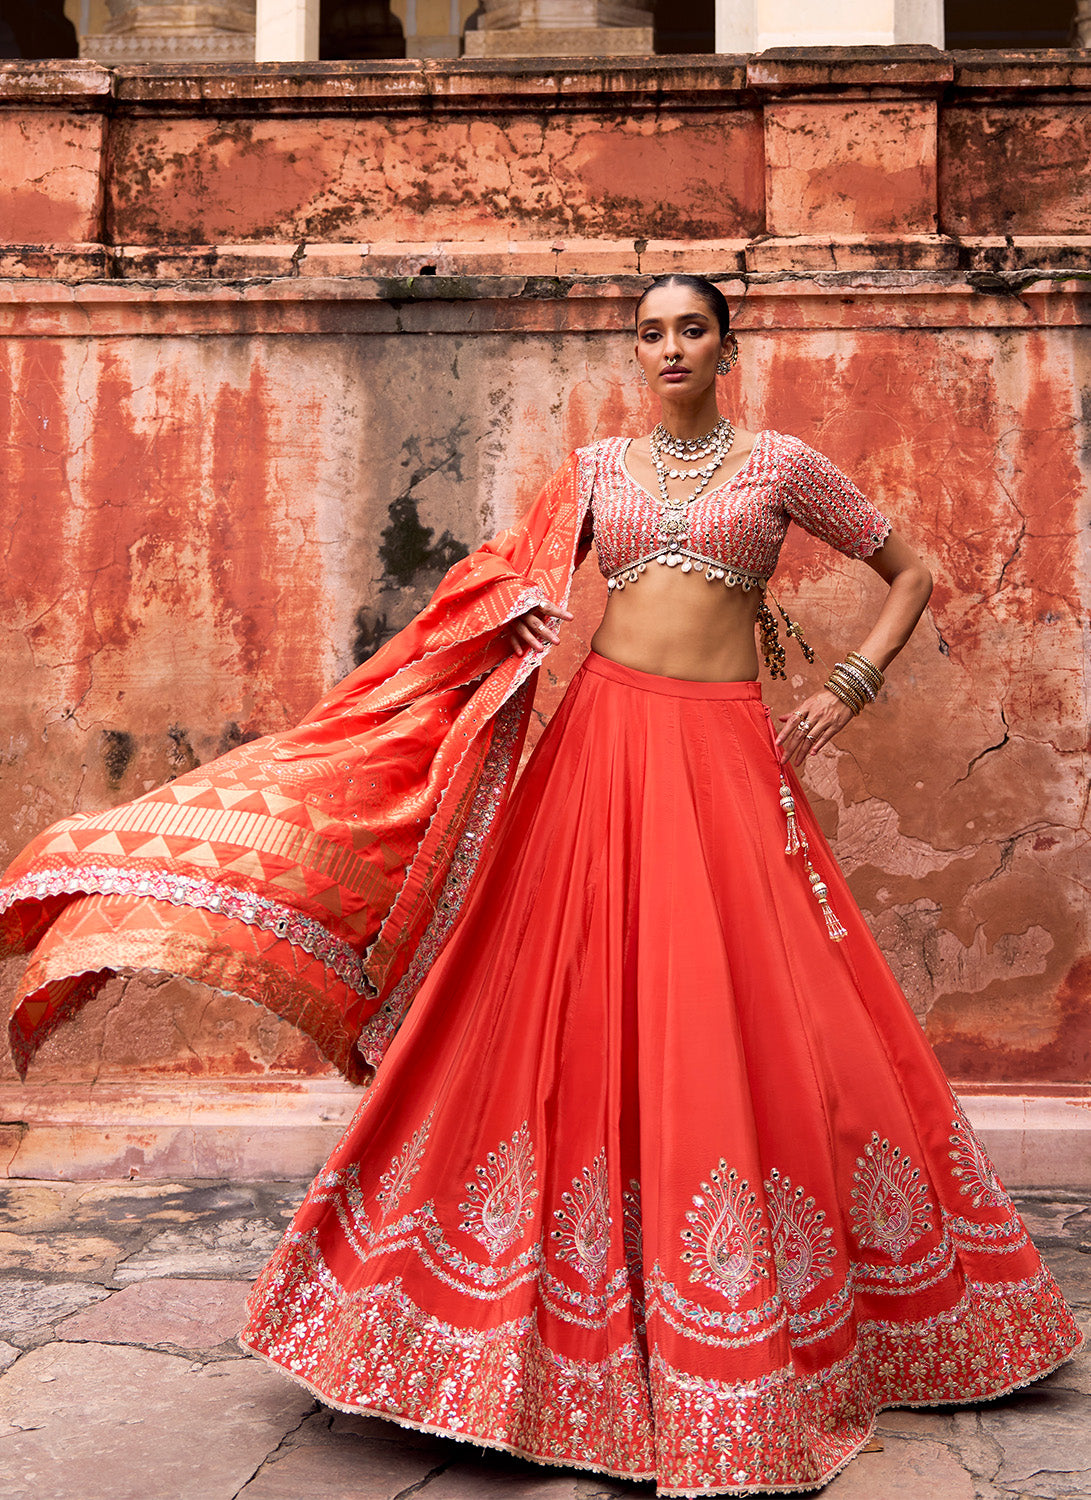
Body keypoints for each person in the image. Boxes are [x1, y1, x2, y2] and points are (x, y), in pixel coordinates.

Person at [1, 275, 1081, 1495]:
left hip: (724, 756)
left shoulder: (780, 465)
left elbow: (911, 571)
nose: (667, 348)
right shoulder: (596, 472)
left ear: (725, 347)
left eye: (688, 329)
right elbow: (500, 584)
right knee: (553, 1010)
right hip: (598, 749)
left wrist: (850, 683)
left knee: (747, 1011)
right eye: (648, 333)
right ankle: (498, 1323)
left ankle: (774, 1309)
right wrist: (509, 614)